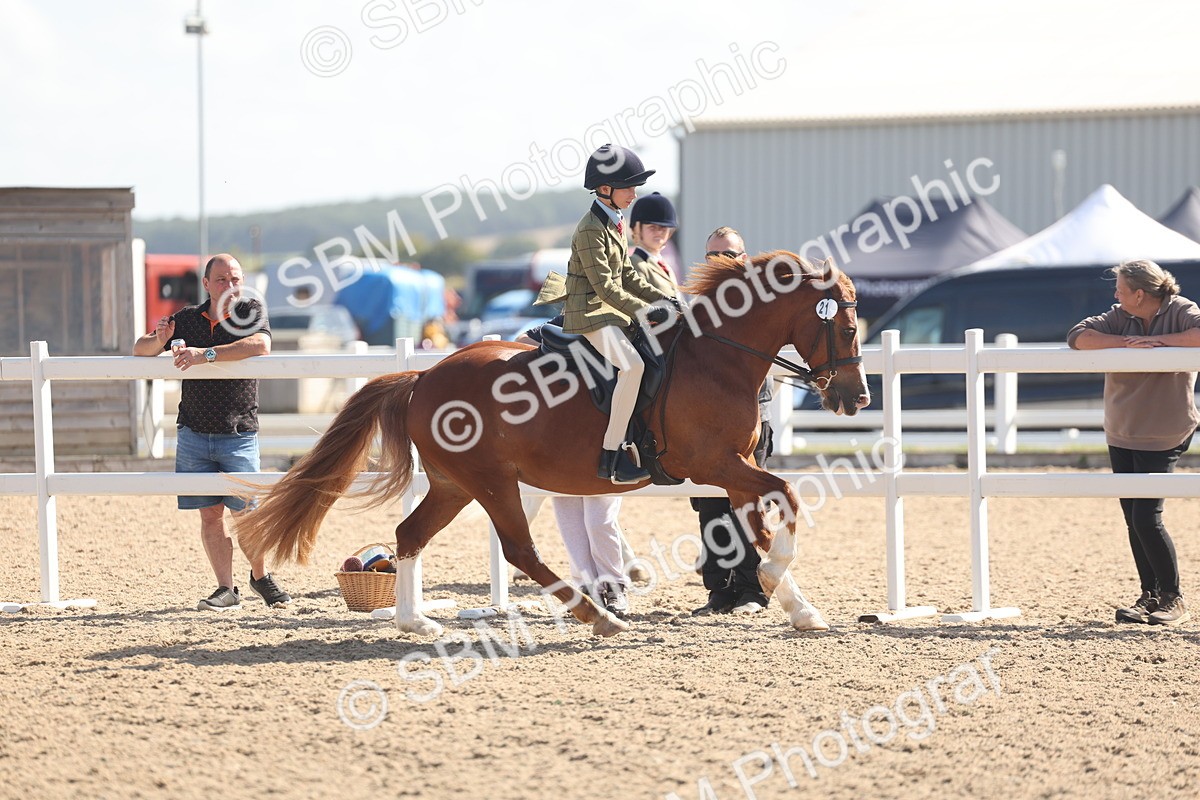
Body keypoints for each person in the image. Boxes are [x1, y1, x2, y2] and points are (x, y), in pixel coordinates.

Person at [133, 254, 292, 612]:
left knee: (247, 512)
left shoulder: (250, 310)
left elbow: (261, 345)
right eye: (221, 280)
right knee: (210, 514)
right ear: (206, 284)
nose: (230, 286)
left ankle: (260, 576)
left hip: (238, 429)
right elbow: (140, 350)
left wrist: (204, 354)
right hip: (194, 430)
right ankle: (226, 588)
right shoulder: (187, 317)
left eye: (235, 278)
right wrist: (159, 338)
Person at [1068, 259, 1200, 626]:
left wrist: (1159, 343)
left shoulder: (1182, 310)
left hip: (1166, 429)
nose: (1115, 295)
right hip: (1122, 428)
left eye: (1121, 290)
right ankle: (1151, 595)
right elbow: (1078, 337)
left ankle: (1174, 599)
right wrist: (1126, 344)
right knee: (1132, 517)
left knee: (1146, 516)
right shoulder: (1117, 316)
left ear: (1140, 294)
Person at [535, 143, 675, 485]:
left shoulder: (616, 221)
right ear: (605, 189)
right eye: (629, 186)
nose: (634, 193)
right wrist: (645, 312)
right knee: (634, 365)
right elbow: (605, 288)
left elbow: (627, 275)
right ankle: (612, 455)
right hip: (589, 313)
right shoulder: (589, 229)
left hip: (609, 311)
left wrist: (668, 300)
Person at [690, 227, 775, 616]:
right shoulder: (698, 307)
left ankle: (752, 590)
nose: (722, 261)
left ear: (744, 258)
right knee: (710, 505)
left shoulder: (760, 304)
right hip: (707, 421)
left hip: (751, 414)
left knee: (745, 502)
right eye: (713, 256)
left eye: (730, 254)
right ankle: (719, 591)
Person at [629, 192, 680, 295]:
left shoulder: (665, 265)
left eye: (663, 228)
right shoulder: (635, 264)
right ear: (637, 229)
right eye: (652, 227)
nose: (659, 232)